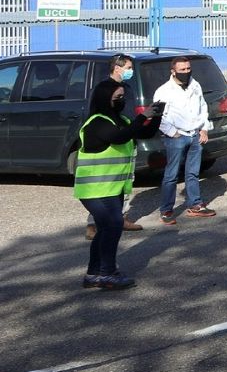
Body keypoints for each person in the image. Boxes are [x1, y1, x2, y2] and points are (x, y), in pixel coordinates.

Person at [76, 79, 162, 290]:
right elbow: (120, 137)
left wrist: (156, 116)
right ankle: (107, 274)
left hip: (111, 188)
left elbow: (143, 133)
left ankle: (93, 274)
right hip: (93, 189)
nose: (122, 101)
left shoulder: (120, 118)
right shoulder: (97, 122)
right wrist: (143, 116)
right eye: (117, 98)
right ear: (105, 99)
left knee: (106, 228)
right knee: (112, 225)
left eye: (123, 97)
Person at [85, 55, 145, 239]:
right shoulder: (104, 89)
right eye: (128, 67)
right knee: (103, 189)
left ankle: (121, 217)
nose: (130, 70)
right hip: (111, 141)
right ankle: (94, 224)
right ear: (117, 68)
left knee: (125, 182)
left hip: (126, 139)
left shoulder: (127, 88)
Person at [152, 56, 216, 225]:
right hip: (176, 137)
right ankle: (166, 210)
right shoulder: (163, 91)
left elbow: (203, 107)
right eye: (182, 70)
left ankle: (196, 205)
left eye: (188, 69)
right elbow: (159, 116)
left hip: (195, 135)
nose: (186, 72)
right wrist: (172, 132)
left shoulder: (195, 85)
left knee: (193, 173)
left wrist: (204, 128)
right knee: (171, 175)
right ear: (173, 71)